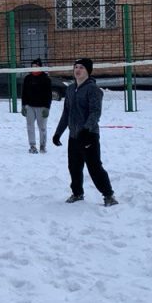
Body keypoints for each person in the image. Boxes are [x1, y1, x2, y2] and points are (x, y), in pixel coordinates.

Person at [52, 58, 118, 207]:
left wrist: (87, 129)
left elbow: (95, 113)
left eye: (81, 67)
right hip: (73, 136)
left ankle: (109, 195)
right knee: (74, 167)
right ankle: (77, 193)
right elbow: (66, 113)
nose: (78, 69)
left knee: (94, 167)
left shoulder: (93, 90)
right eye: (76, 67)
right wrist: (58, 133)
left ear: (88, 71)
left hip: (89, 136)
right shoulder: (69, 89)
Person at [21, 58, 52, 154]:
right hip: (30, 106)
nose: (34, 68)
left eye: (36, 66)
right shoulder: (27, 78)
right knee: (30, 126)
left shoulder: (46, 79)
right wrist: (23, 105)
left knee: (42, 127)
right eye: (33, 66)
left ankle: (42, 146)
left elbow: (49, 95)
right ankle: (32, 146)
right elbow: (24, 93)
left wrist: (47, 107)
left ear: (40, 67)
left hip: (42, 107)